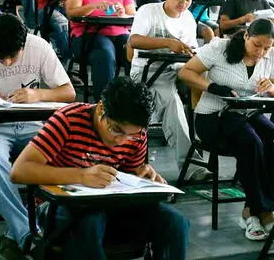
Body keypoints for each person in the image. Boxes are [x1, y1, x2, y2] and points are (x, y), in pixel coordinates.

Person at [11, 76, 190, 260]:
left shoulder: (136, 134)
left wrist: (145, 178)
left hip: (110, 206)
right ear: (101, 109)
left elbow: (129, 175)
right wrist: (81, 176)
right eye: (116, 130)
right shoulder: (68, 120)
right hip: (58, 207)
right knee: (89, 221)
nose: (121, 140)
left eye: (132, 135)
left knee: (175, 222)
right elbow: (19, 171)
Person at [0, 13, 75, 259]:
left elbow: (68, 92)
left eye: (13, 56)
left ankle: (20, 233)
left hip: (33, 122)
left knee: (65, 154)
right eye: (0, 58)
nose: (8, 63)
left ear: (23, 43)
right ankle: (27, 234)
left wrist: (38, 94)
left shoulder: (39, 46)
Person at [179, 18, 274, 243]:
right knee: (251, 142)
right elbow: (186, 73)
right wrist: (212, 86)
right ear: (246, 36)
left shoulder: (270, 55)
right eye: (256, 45)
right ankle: (261, 213)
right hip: (212, 117)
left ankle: (256, 210)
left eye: (266, 47)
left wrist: (272, 88)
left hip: (246, 115)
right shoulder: (220, 48)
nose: (261, 52)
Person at [128, 0, 212, 182]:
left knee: (212, 80)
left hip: (177, 69)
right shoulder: (149, 11)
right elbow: (134, 41)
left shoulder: (188, 19)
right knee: (172, 101)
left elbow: (191, 50)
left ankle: (210, 129)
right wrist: (167, 43)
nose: (183, 3)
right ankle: (192, 167)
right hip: (147, 72)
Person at [66, 0, 136, 101]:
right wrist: (94, 6)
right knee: (104, 53)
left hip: (118, 34)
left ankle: (131, 101)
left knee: (135, 48)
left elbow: (133, 15)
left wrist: (122, 12)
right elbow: (71, 13)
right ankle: (105, 104)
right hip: (86, 36)